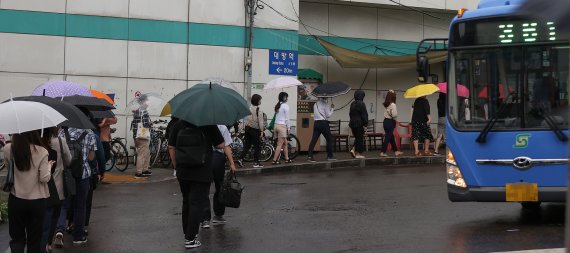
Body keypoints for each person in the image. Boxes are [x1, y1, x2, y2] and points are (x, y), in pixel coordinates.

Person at [168, 120, 224, 249]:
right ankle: (190, 238)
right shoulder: (209, 124)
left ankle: (187, 234)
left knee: (186, 201)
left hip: (183, 170)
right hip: (202, 171)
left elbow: (171, 146)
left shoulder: (179, 124)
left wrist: (176, 166)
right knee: (197, 202)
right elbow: (220, 145)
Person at [4, 130, 52, 253]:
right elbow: (44, 178)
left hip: (16, 199)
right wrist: (49, 167)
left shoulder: (8, 149)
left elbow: (9, 168)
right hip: (37, 201)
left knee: (17, 239)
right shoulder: (41, 151)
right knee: (34, 239)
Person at [55, 127, 97, 245]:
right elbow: (91, 157)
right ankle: (78, 236)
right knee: (80, 206)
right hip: (83, 175)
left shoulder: (63, 132)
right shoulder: (89, 133)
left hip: (66, 174)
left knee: (63, 204)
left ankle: (59, 231)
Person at [41, 128, 71, 253]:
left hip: (38, 188)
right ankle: (49, 241)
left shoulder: (36, 143)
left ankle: (41, 243)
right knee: (54, 214)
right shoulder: (60, 141)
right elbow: (68, 160)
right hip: (56, 185)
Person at [201, 125, 236, 228]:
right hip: (218, 158)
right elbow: (226, 146)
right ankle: (218, 215)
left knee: (204, 188)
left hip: (203, 158)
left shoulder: (200, 125)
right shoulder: (221, 127)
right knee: (219, 187)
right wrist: (232, 163)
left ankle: (205, 219)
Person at [239, 94, 265, 168]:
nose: (260, 101)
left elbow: (245, 119)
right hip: (255, 130)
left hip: (247, 129)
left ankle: (240, 158)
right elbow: (261, 122)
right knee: (257, 146)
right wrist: (262, 131)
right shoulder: (259, 110)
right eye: (260, 99)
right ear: (257, 101)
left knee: (247, 145)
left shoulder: (248, 108)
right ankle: (256, 163)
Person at [307, 98, 335, 162]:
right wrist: (332, 108)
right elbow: (328, 115)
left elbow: (314, 114)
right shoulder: (326, 104)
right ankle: (330, 156)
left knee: (313, 140)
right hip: (324, 123)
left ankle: (309, 156)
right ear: (326, 97)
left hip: (316, 123)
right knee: (329, 139)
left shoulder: (315, 104)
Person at [131, 99, 152, 178]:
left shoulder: (136, 112)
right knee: (142, 154)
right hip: (143, 136)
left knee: (146, 153)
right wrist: (150, 124)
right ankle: (139, 172)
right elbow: (146, 125)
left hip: (136, 135)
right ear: (143, 102)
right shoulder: (144, 112)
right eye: (146, 101)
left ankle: (145, 170)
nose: (148, 103)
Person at [380, 90, 404, 157]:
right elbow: (394, 115)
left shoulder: (387, 104)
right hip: (390, 122)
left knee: (391, 137)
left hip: (385, 121)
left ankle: (396, 151)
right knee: (388, 137)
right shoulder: (393, 104)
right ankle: (382, 152)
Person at [271, 92, 293, 164]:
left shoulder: (278, 105)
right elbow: (287, 119)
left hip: (276, 126)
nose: (287, 98)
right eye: (286, 97)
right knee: (279, 144)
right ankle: (274, 160)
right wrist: (289, 128)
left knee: (285, 143)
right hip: (282, 126)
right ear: (284, 98)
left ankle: (287, 158)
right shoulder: (285, 106)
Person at [349, 90, 368, 159]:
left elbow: (350, 114)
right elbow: (364, 115)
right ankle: (359, 154)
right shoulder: (362, 103)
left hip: (352, 124)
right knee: (360, 138)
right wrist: (365, 124)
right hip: (359, 123)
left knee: (357, 138)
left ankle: (353, 150)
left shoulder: (352, 104)